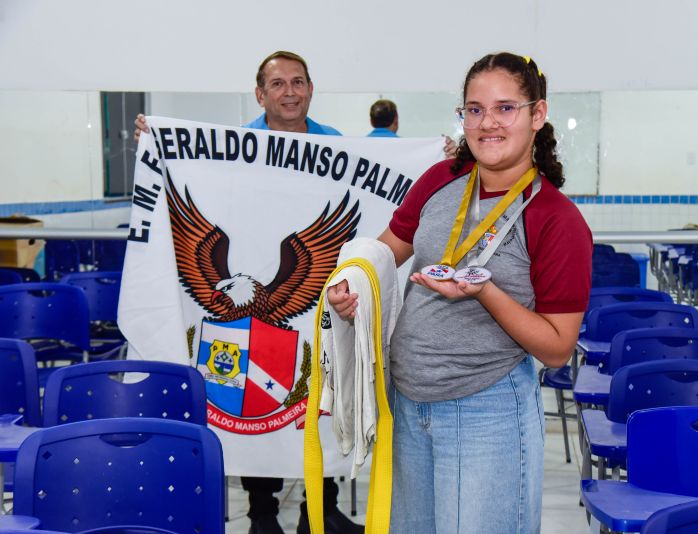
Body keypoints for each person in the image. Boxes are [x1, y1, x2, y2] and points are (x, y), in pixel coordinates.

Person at [328, 52, 592, 533]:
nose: (487, 122)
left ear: (537, 115)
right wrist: (354, 291)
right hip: (410, 404)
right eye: (474, 109)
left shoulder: (556, 218)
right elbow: (385, 254)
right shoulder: (441, 180)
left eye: (505, 108)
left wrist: (483, 292)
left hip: (487, 413)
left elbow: (557, 348)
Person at [135, 51, 361, 534]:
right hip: (248, 317)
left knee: (321, 402)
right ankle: (262, 512)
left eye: (298, 82)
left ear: (311, 88)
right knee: (249, 398)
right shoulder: (236, 147)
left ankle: (321, 511)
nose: (290, 92)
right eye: (278, 84)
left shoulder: (340, 148)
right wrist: (155, 145)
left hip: (320, 307)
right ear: (260, 94)